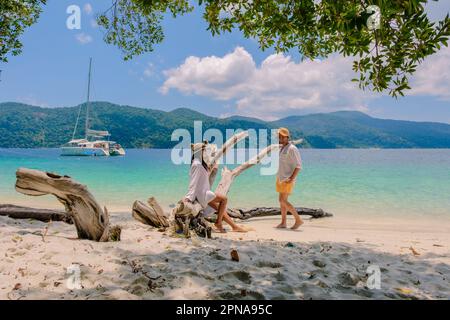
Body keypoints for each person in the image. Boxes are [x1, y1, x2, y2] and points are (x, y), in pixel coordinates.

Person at [184, 142, 247, 233]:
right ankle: (219, 223)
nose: (206, 152)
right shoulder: (197, 164)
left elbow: (203, 176)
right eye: (204, 150)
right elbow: (194, 182)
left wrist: (213, 166)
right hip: (202, 194)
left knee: (219, 207)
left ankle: (234, 226)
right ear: (200, 152)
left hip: (203, 192)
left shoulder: (199, 163)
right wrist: (189, 197)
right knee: (224, 199)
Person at [276, 128, 304, 230]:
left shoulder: (292, 148)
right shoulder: (283, 148)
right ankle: (283, 223)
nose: (280, 138)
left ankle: (298, 220)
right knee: (282, 201)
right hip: (280, 178)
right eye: (279, 136)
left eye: (282, 136)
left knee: (282, 200)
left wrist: (291, 178)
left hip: (288, 178)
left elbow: (298, 166)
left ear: (287, 137)